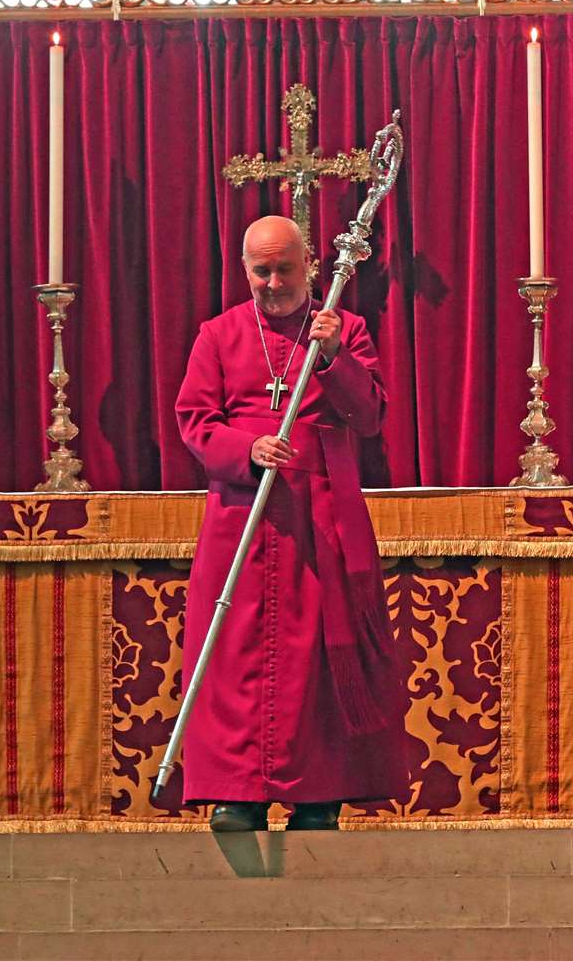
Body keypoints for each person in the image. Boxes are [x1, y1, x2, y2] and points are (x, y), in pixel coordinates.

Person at [173, 214, 410, 831]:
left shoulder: (345, 329)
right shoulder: (218, 335)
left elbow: (369, 417)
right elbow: (195, 421)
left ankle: (319, 794)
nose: (273, 282)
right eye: (261, 270)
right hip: (244, 516)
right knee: (233, 653)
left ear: (309, 265)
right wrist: (246, 449)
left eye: (285, 268)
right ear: (245, 270)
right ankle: (235, 794)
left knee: (317, 659)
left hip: (320, 516)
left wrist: (332, 357)